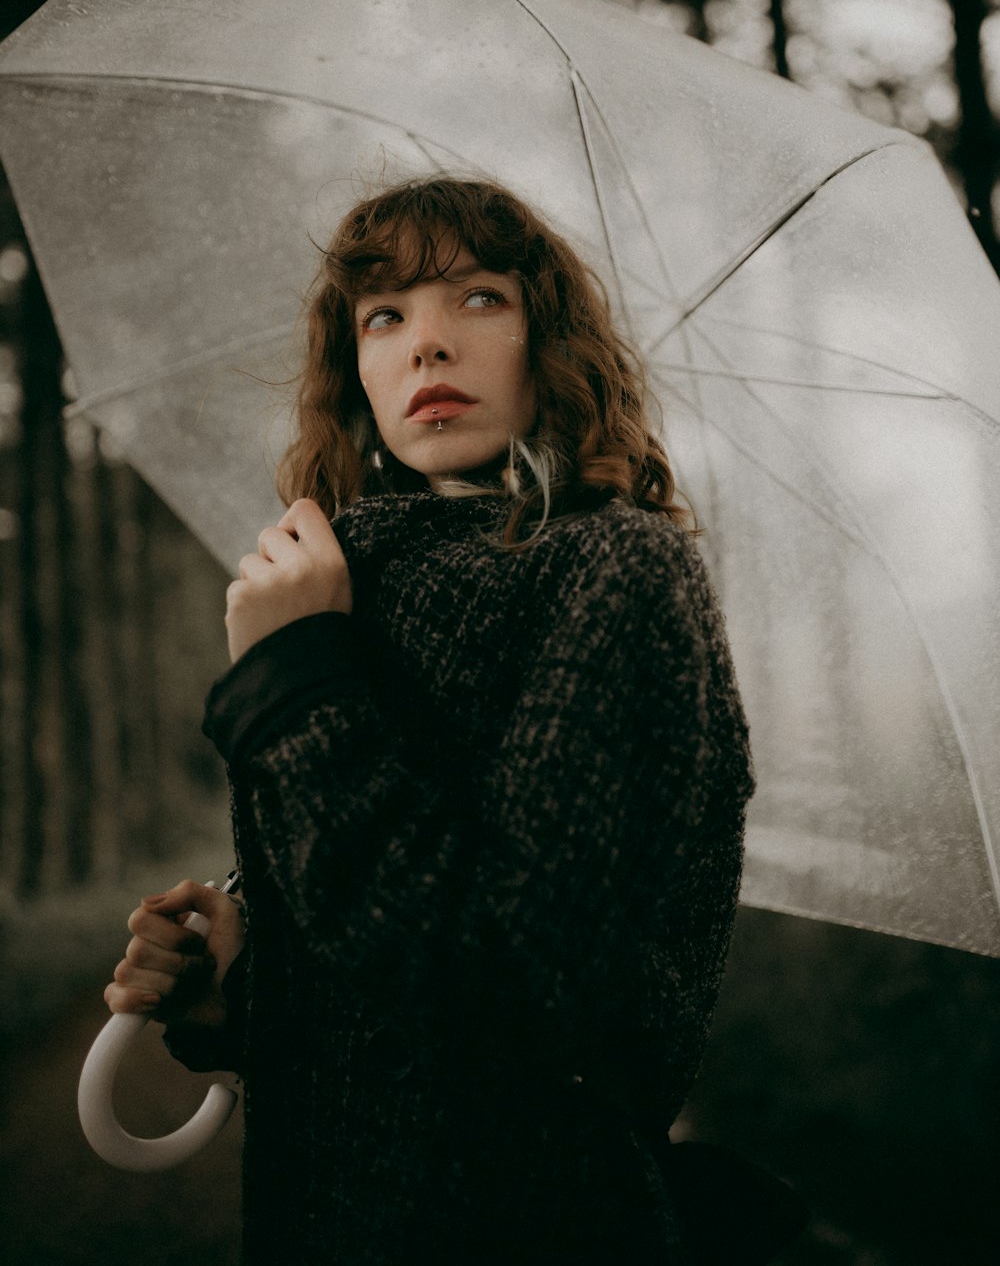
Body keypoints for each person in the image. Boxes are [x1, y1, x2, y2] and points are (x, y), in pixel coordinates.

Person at [105, 176, 764, 1264]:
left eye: (479, 298)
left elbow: (518, 987)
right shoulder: (355, 580)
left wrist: (297, 677)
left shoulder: (618, 567)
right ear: (353, 369)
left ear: (547, 339)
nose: (428, 346)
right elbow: (395, 1001)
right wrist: (246, 994)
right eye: (385, 314)